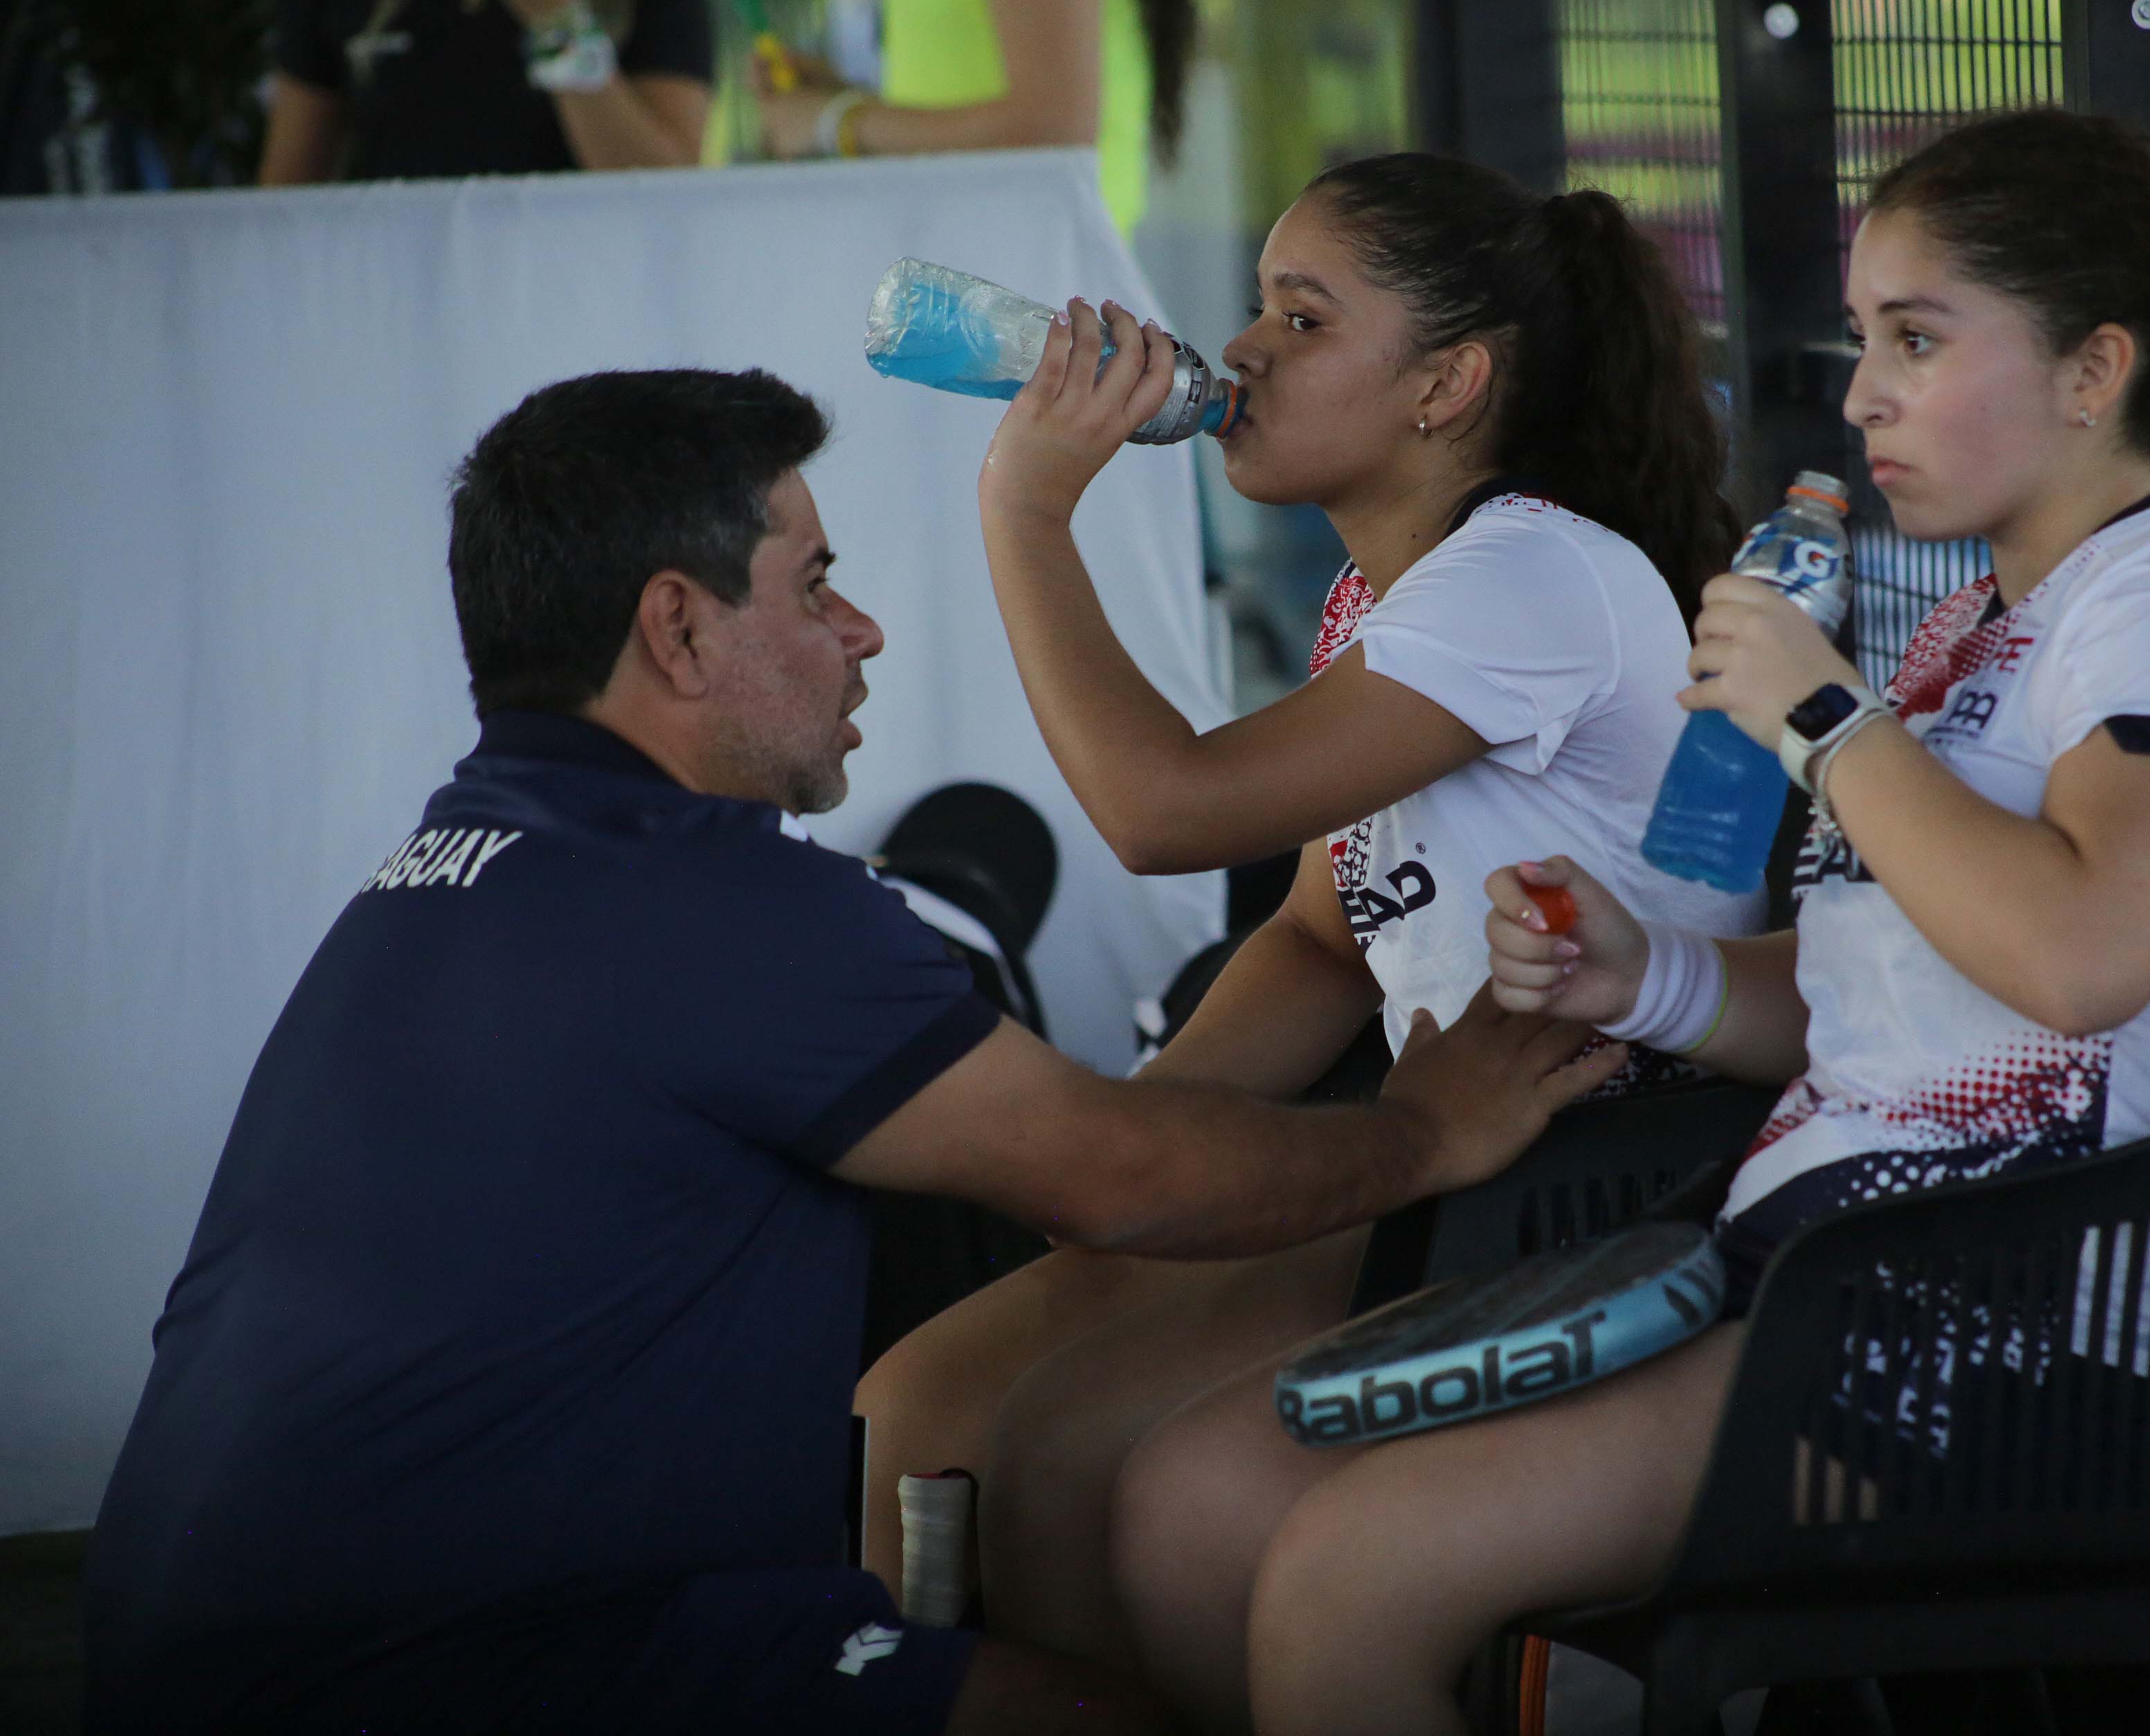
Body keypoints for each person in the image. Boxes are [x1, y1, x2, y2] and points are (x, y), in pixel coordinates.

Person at [78, 367, 1625, 1736]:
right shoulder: (715, 901)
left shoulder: (454, 862)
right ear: (678, 628)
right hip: (459, 1666)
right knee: (1094, 1719)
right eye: (815, 585)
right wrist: (1428, 1131)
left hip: (221, 1651)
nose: (862, 628)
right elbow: (1119, 1178)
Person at [1104, 107, 2150, 1733]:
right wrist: (1643, 975)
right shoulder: (1978, 623)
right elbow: (1880, 996)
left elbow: (2079, 959)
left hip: (2003, 1335)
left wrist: (1826, 719)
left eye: (1915, 339)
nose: (1862, 392)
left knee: (1349, 1572)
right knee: (1195, 1498)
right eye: (1864, 337)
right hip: (1803, 1265)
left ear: (2091, 369)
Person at [850, 150, 1767, 1667]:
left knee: (1064, 1455)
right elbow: (1320, 939)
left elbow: (1162, 813)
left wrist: (1026, 508)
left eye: (1304, 317)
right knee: (917, 1403)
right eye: (1258, 308)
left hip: (1594, 1182)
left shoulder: (1534, 573)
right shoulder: (1383, 596)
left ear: (1446, 386)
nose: (1245, 349)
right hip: (1445, 1153)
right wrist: (1147, 1143)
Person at [748, 0, 1192, 236]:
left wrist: (836, 121)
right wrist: (840, 101)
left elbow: (1055, 127)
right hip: (1004, 270)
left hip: (1035, 280)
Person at [261, 0, 712, 185]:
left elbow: (665, 192)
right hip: (406, 293)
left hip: (582, 295)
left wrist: (556, 19)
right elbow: (287, 190)